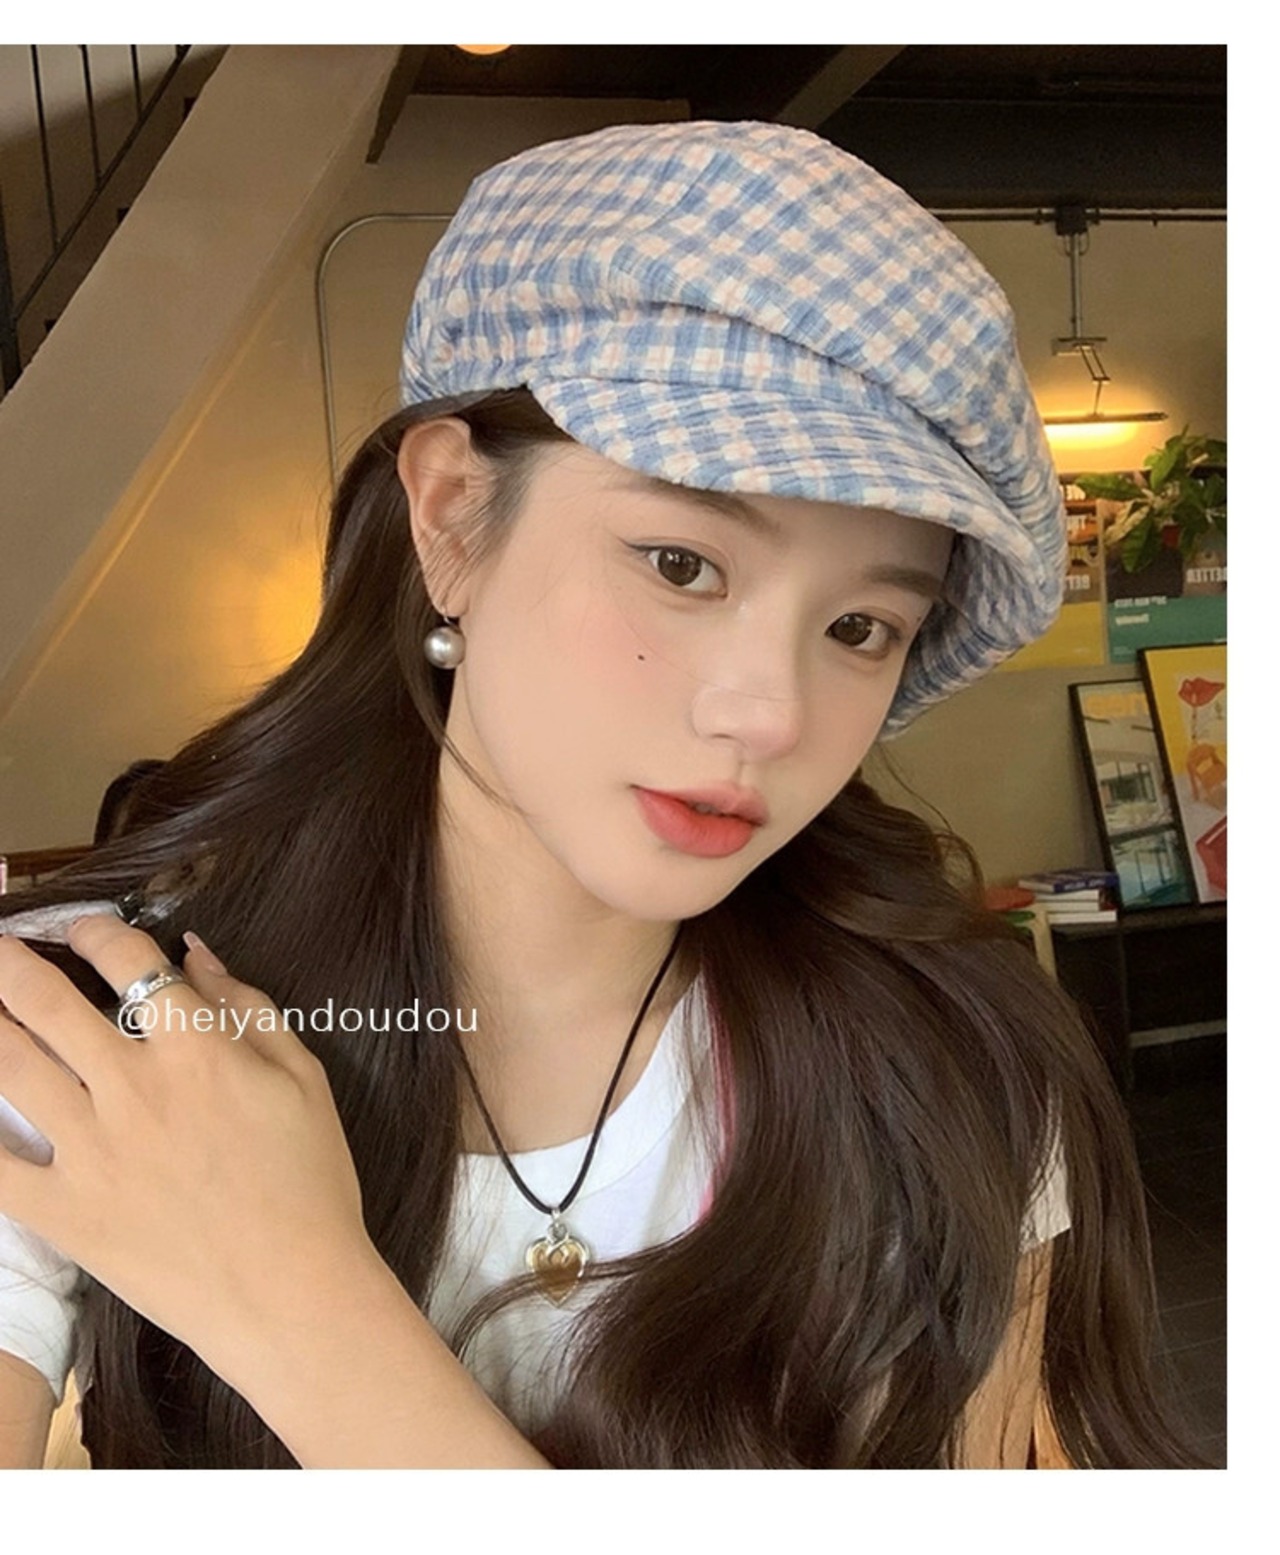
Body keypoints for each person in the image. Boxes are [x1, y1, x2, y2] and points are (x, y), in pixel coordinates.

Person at [0, 119, 1198, 1469]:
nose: (770, 713)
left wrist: (291, 1295)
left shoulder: (947, 1073)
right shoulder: (79, 1029)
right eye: (683, 564)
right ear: (450, 519)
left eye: (861, 627)